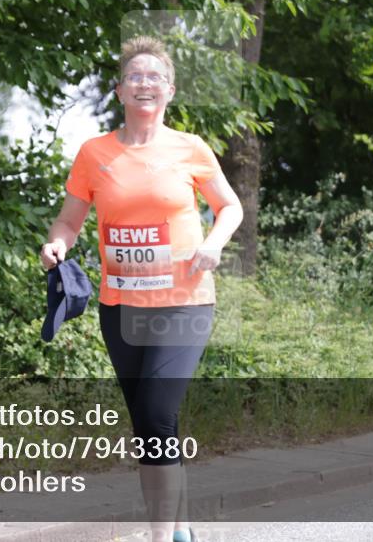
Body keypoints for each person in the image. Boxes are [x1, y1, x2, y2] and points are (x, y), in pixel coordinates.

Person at [40, 35, 243, 542]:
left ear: (169, 91)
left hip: (184, 302)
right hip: (121, 307)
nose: (145, 82)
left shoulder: (189, 148)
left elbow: (230, 207)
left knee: (157, 414)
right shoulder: (95, 153)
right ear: (120, 90)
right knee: (150, 427)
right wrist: (56, 246)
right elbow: (69, 220)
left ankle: (159, 538)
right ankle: (177, 524)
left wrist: (215, 242)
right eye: (135, 76)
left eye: (154, 76)